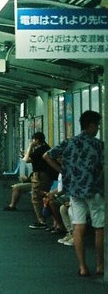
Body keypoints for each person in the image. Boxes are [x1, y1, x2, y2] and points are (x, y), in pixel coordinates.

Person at [44, 110, 104, 277]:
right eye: (97, 125)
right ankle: (100, 265)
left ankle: (83, 267)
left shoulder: (69, 142)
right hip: (95, 190)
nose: (98, 128)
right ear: (91, 125)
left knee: (78, 227)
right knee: (99, 228)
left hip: (75, 191)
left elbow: (47, 156)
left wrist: (63, 171)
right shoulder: (98, 145)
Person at [24, 132, 53, 229]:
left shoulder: (39, 150)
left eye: (33, 140)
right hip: (47, 176)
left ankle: (42, 221)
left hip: (40, 176)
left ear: (36, 140)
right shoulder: (47, 147)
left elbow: (26, 159)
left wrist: (30, 146)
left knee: (36, 198)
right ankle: (52, 220)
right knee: (44, 196)